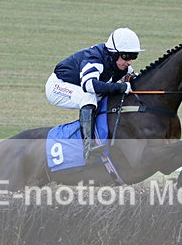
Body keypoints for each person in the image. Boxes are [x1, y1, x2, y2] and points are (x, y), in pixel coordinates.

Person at [46, 28, 143, 160]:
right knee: (88, 97)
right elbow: (89, 85)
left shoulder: (122, 66)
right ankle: (88, 147)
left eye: (134, 56)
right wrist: (120, 87)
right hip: (58, 87)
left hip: (77, 86)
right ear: (114, 54)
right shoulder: (95, 59)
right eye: (126, 56)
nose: (130, 61)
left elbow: (132, 79)